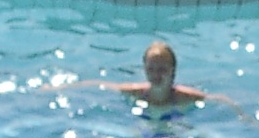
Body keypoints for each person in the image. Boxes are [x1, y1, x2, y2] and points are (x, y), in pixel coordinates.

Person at [94, 40, 247, 119]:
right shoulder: (136, 92)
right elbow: (99, 85)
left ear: (172, 71)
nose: (156, 75)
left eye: (162, 70)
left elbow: (218, 98)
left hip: (175, 124)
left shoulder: (183, 96)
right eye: (151, 69)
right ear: (144, 69)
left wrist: (242, 115)